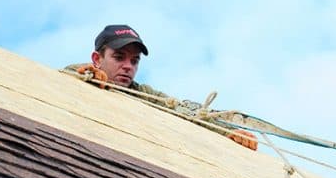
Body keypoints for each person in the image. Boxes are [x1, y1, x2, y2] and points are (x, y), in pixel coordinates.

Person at [65, 24, 257, 150]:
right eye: (119, 57)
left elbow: (184, 111)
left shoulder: (144, 94)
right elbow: (65, 76)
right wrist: (85, 76)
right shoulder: (80, 75)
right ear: (97, 59)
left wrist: (228, 132)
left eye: (134, 61)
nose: (128, 66)